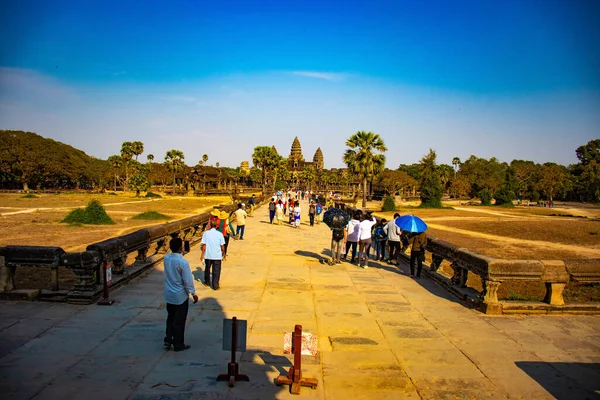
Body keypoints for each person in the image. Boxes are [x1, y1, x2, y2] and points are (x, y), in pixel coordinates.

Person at [163, 237, 198, 352]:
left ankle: (168, 339)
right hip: (180, 295)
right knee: (179, 320)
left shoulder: (166, 259)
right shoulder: (182, 262)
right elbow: (187, 280)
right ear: (180, 248)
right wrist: (193, 293)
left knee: (170, 318)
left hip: (169, 294)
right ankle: (178, 343)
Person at [201, 219, 227, 290]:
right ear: (217, 226)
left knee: (207, 269)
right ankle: (215, 285)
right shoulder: (220, 234)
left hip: (208, 255)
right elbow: (222, 246)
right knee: (216, 270)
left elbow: (204, 245)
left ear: (210, 225)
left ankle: (207, 282)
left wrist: (202, 255)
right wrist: (223, 253)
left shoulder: (206, 233)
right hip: (217, 256)